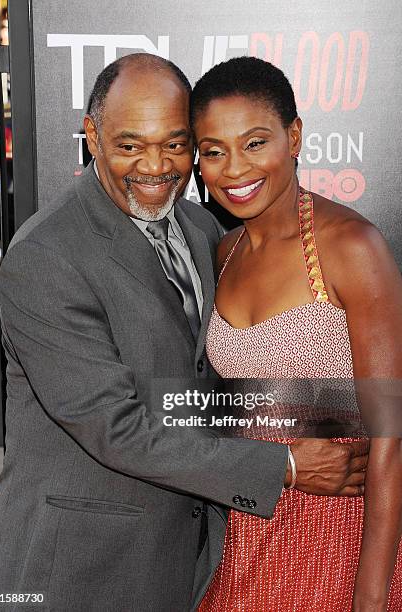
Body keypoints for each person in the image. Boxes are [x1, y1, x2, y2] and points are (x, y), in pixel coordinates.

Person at [0, 54, 368, 612]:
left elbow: (211, 389)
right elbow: (117, 428)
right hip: (81, 568)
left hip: (192, 561)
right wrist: (286, 466)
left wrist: (358, 414)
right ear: (91, 136)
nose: (155, 165)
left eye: (175, 144)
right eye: (129, 145)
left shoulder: (201, 227)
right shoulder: (47, 256)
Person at [190, 56, 402, 611]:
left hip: (338, 536)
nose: (234, 168)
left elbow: (391, 437)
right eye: (212, 151)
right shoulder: (224, 251)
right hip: (242, 537)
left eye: (255, 142)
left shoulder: (352, 247)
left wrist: (371, 596)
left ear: (295, 136)